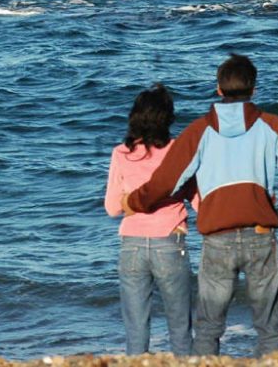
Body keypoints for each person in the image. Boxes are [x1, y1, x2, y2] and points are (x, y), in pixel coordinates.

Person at [122, 54, 278, 357]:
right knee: (268, 323)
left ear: (219, 90)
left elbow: (165, 182)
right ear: (254, 89)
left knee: (209, 324)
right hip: (260, 234)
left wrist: (133, 201)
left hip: (217, 237)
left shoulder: (198, 131)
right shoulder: (273, 125)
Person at [104, 83, 193, 356]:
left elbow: (111, 208)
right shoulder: (178, 150)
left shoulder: (121, 152)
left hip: (131, 243)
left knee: (136, 329)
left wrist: (133, 202)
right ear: (168, 118)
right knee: (180, 326)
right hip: (169, 239)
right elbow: (197, 197)